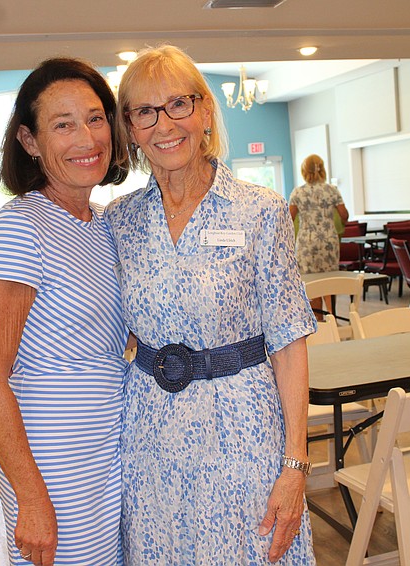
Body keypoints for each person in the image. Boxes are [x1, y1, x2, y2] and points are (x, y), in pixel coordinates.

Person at [105, 45, 318, 565]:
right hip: (149, 434)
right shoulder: (118, 221)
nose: (164, 124)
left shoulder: (260, 211)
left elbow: (288, 341)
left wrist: (295, 465)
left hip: (243, 429)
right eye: (145, 111)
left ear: (203, 111)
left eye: (178, 104)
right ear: (130, 129)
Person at [0, 57, 129, 566]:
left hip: (114, 450)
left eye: (95, 118)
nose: (87, 137)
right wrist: (32, 497)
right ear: (30, 141)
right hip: (55, 464)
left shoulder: (105, 224)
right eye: (63, 125)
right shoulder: (18, 228)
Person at [289, 154, 349, 314]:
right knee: (329, 279)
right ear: (322, 169)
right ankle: (332, 316)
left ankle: (319, 319)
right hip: (328, 241)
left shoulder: (298, 192)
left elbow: (289, 219)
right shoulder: (332, 190)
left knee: (312, 282)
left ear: (304, 171)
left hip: (307, 243)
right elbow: (344, 215)